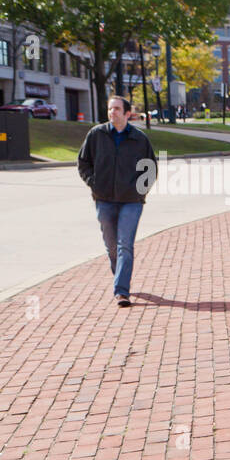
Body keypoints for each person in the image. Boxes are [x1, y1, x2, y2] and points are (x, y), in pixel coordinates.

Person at [76, 95, 157, 307]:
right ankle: (119, 274)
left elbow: (150, 169)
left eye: (117, 109)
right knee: (112, 246)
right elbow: (83, 162)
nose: (112, 112)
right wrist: (94, 183)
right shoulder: (96, 135)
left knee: (125, 245)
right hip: (104, 200)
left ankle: (122, 291)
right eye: (110, 109)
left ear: (127, 114)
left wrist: (139, 193)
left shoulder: (139, 139)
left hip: (132, 202)